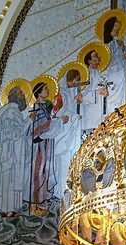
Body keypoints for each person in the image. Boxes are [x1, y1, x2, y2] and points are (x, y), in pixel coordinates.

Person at [0, 86, 30, 212]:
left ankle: (10, 207)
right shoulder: (12, 112)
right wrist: (28, 121)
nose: (24, 97)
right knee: (9, 180)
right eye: (22, 94)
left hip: (8, 150)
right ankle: (7, 209)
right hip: (10, 152)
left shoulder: (4, 110)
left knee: (8, 179)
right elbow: (14, 133)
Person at [28, 82, 58, 215]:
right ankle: (36, 202)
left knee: (46, 170)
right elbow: (35, 127)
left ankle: (43, 200)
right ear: (39, 93)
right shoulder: (35, 108)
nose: (48, 91)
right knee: (39, 171)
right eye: (45, 89)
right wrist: (48, 124)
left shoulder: (48, 106)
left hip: (48, 141)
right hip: (39, 143)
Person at [53, 69, 83, 198]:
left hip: (72, 130)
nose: (76, 83)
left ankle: (72, 189)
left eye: (77, 80)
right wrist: (72, 117)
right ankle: (61, 190)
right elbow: (55, 114)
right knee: (63, 161)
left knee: (72, 158)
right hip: (63, 132)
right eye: (75, 80)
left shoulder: (74, 92)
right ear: (69, 80)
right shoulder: (60, 95)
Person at [102, 17, 126, 115]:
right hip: (113, 74)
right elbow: (110, 60)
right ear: (110, 27)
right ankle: (113, 116)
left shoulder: (116, 42)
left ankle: (120, 114)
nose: (117, 29)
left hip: (120, 73)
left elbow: (118, 56)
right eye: (116, 26)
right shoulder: (108, 44)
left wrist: (123, 51)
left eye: (118, 26)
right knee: (114, 98)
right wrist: (124, 55)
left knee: (121, 96)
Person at [81, 49, 110, 132]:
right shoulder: (86, 75)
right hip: (91, 113)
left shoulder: (98, 73)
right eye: (95, 56)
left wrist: (105, 90)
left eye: (97, 55)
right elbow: (82, 96)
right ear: (89, 60)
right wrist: (98, 92)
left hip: (101, 111)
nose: (98, 58)